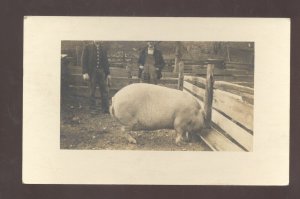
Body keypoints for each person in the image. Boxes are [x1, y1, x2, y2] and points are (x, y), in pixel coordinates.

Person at [81, 41, 111, 114]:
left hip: (101, 72)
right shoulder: (88, 47)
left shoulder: (103, 48)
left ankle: (105, 108)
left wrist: (108, 73)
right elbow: (83, 60)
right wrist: (85, 72)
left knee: (104, 90)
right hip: (92, 72)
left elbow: (105, 62)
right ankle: (92, 108)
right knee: (92, 91)